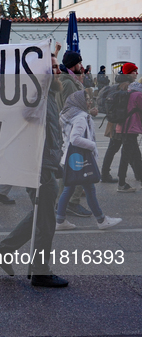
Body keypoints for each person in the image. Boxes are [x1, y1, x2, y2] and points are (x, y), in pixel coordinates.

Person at [0, 54, 68, 288]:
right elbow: (25, 117)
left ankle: (4, 250)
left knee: (41, 215)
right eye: (53, 68)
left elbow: (51, 133)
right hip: (38, 166)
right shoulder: (37, 95)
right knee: (46, 221)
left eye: (58, 67)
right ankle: (40, 271)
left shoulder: (51, 94)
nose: (58, 72)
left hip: (47, 164)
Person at [56, 90, 122, 231]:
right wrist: (92, 145)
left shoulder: (67, 113)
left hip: (70, 157)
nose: (89, 101)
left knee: (71, 189)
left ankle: (60, 220)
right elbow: (75, 138)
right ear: (79, 101)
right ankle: (101, 220)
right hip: (78, 158)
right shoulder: (80, 117)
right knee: (87, 189)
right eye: (87, 99)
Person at [58, 51, 92, 218]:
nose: (82, 66)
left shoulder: (68, 80)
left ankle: (65, 202)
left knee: (73, 168)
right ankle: (71, 203)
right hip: (73, 130)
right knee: (77, 167)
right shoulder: (70, 83)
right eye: (80, 63)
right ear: (74, 64)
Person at [99, 62, 139, 184]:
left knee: (117, 149)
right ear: (127, 73)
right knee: (129, 150)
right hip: (122, 122)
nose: (136, 74)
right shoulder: (126, 86)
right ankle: (135, 175)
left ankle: (105, 174)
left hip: (115, 122)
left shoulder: (117, 84)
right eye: (134, 72)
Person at [115, 80, 142, 192]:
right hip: (131, 128)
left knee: (136, 156)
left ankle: (140, 179)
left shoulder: (128, 92)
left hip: (123, 127)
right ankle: (121, 184)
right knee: (126, 157)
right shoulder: (138, 95)